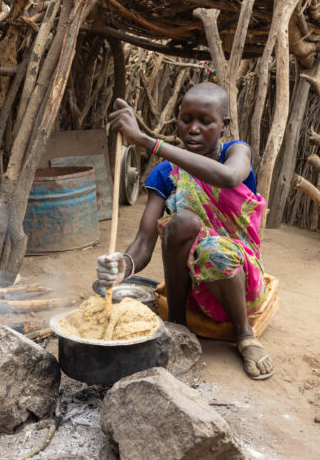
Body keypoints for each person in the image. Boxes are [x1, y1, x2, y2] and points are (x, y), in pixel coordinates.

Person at [97, 82, 273, 380]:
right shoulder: (164, 174)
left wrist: (146, 141)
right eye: (185, 119)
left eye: (205, 122)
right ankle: (178, 322)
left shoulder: (235, 153)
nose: (193, 129)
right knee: (182, 223)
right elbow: (144, 241)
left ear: (224, 125)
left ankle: (244, 336)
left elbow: (229, 178)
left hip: (240, 281)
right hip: (192, 286)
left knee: (212, 249)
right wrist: (121, 266)